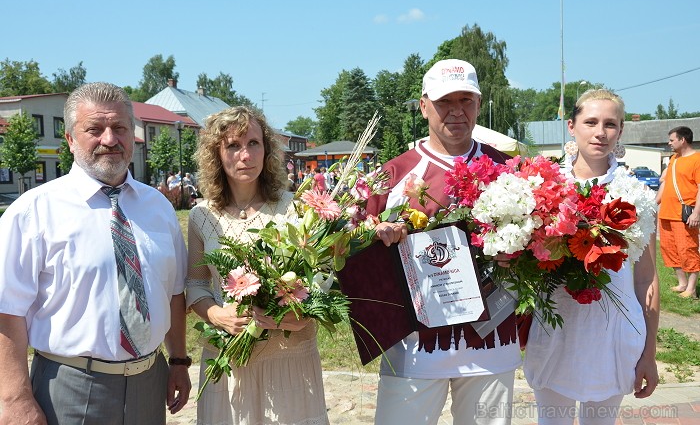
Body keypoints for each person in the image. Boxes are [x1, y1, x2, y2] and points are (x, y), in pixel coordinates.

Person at [0, 82, 191, 425]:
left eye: (120, 128)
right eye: (95, 129)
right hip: (70, 388)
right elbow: (6, 310)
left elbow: (174, 292)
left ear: (132, 135)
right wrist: (14, 399)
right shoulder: (33, 212)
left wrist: (178, 360)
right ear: (71, 139)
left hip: (150, 382)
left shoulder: (158, 207)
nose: (109, 139)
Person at [366, 59, 520, 425]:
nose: (456, 111)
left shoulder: (508, 170)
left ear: (479, 105)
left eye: (466, 100)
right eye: (444, 102)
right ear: (423, 106)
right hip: (416, 344)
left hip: (491, 339)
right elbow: (349, 243)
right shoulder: (395, 173)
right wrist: (375, 237)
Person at [523, 89, 659, 425]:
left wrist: (650, 352)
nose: (600, 132)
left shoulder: (635, 194)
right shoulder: (544, 186)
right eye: (591, 122)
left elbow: (646, 278)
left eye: (610, 124)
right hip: (557, 327)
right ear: (571, 126)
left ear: (621, 131)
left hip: (612, 332)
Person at [185, 106, 328, 425]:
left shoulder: (296, 208)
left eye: (253, 143)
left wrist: (300, 312)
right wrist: (217, 315)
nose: (245, 155)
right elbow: (195, 285)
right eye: (233, 146)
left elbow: (322, 283)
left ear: (267, 149)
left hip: (289, 361)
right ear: (216, 154)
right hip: (230, 361)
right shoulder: (201, 216)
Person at [656, 126, 700, 298]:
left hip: (684, 214)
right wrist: (654, 204)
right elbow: (665, 183)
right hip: (666, 212)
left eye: (672, 140)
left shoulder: (697, 159)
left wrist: (696, 213)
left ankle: (692, 288)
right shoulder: (674, 159)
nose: (669, 143)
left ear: (683, 140)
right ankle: (682, 283)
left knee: (688, 249)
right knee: (669, 249)